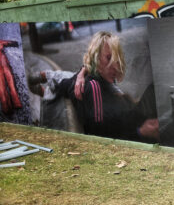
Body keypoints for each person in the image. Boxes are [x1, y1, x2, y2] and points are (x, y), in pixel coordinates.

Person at [27, 31, 159, 141]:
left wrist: (83, 72)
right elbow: (100, 137)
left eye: (117, 61)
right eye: (108, 58)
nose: (115, 66)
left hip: (73, 82)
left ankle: (43, 85)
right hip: (128, 130)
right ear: (96, 58)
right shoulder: (93, 87)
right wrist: (140, 132)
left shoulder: (102, 79)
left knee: (64, 79)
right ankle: (42, 82)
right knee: (60, 79)